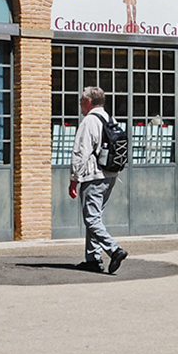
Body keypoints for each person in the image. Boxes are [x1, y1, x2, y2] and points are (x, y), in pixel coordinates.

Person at [68, 86, 128, 274]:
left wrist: (74, 179)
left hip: (93, 176)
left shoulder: (89, 121)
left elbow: (80, 152)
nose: (79, 104)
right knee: (95, 217)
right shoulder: (110, 119)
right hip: (110, 175)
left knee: (91, 219)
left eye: (80, 101)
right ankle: (93, 259)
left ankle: (114, 250)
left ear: (88, 102)